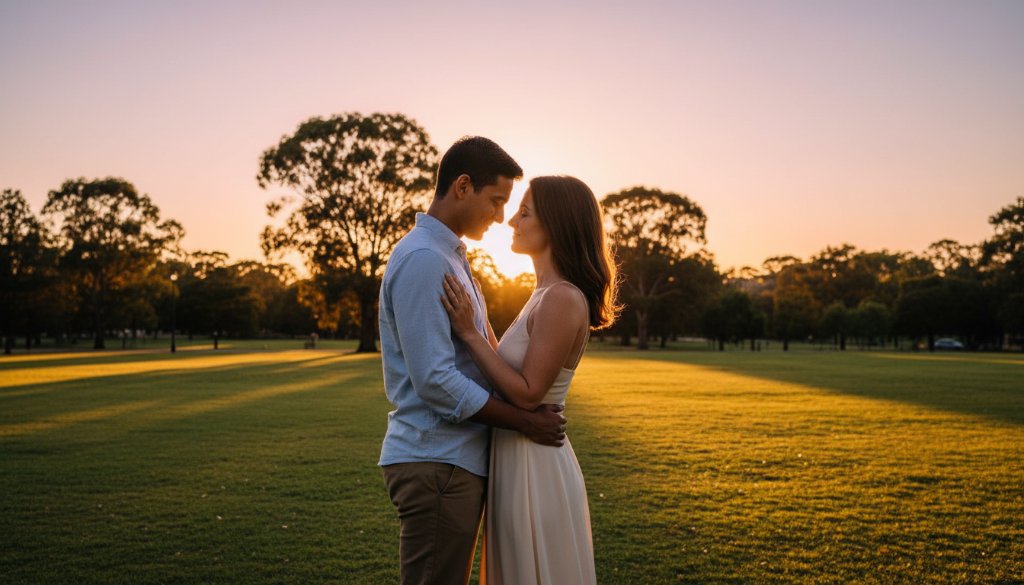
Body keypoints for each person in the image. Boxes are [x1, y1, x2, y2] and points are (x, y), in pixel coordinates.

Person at [378, 137, 568, 585]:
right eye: (497, 200)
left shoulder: (449, 257)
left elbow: (480, 353)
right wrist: (523, 421)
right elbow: (436, 380)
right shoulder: (426, 259)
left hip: (452, 461)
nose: (501, 216)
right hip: (437, 461)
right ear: (463, 186)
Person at [442, 175, 619, 585]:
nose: (511, 222)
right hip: (516, 457)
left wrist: (469, 332)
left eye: (525, 212)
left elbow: (526, 393)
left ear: (556, 225)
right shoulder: (542, 293)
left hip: (535, 464)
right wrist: (479, 318)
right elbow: (509, 365)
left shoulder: (562, 297)